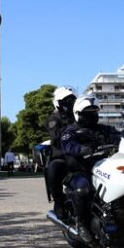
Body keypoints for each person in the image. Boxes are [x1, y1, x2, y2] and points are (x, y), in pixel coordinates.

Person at [61, 94, 120, 243]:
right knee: (83, 189)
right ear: (78, 114)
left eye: (95, 112)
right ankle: (82, 224)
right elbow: (68, 145)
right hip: (79, 171)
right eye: (88, 113)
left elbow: (119, 135)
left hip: (102, 168)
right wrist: (82, 149)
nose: (93, 116)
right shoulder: (70, 131)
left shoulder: (103, 129)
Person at [44, 85, 77, 220]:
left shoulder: (79, 116)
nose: (69, 103)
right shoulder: (54, 118)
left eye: (72, 100)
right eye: (66, 100)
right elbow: (56, 137)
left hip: (82, 154)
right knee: (54, 168)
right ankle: (59, 202)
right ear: (58, 102)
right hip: (63, 155)